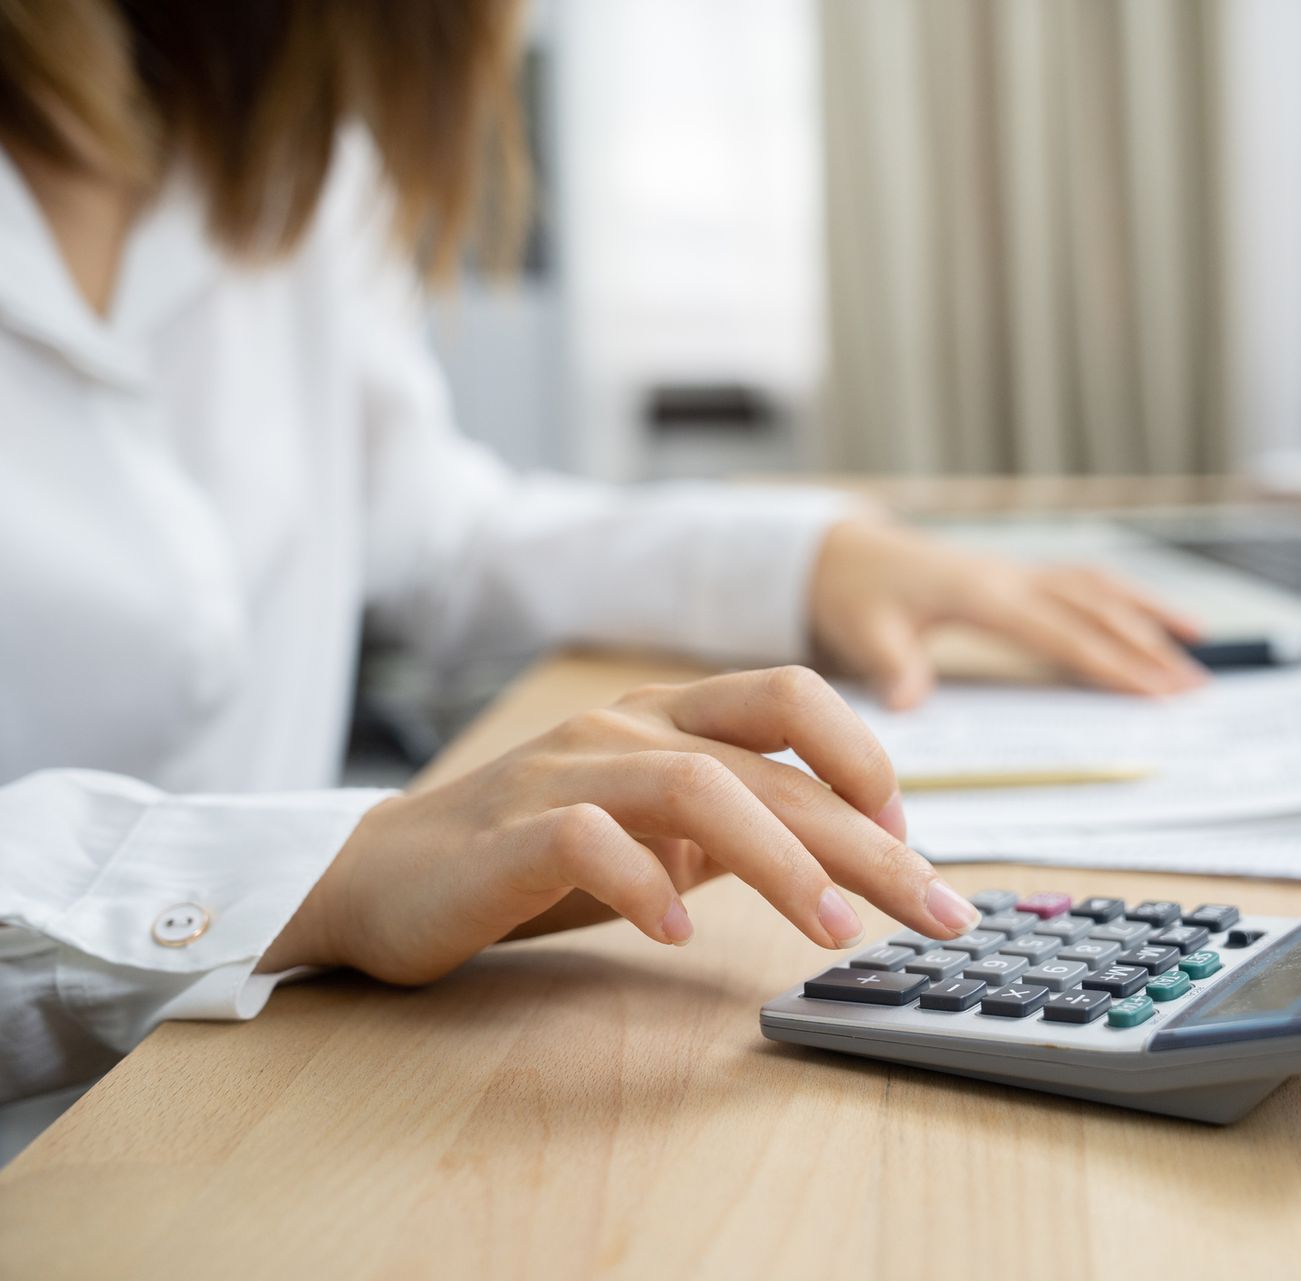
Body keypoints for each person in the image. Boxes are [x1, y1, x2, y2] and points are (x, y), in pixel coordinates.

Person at [0, 0, 1207, 1151]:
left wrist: (805, 557)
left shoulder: (279, 132)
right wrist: (319, 873)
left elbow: (440, 531)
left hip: (255, 1070)